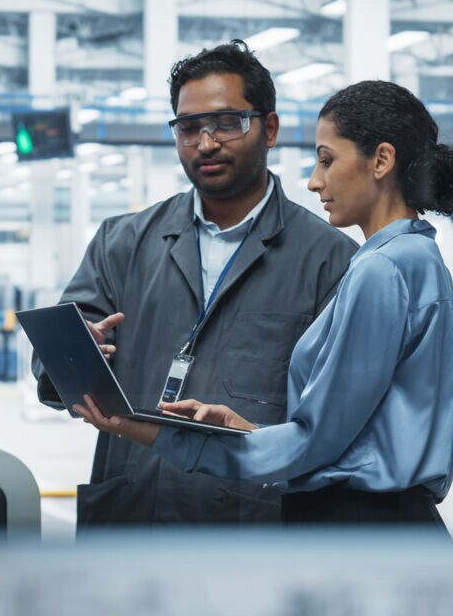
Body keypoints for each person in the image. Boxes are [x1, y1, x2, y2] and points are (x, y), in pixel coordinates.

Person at [74, 80, 453, 532]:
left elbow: (315, 442)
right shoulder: (419, 255)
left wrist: (147, 431)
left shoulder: (377, 269)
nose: (314, 179)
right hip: (388, 519)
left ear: (381, 160)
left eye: (327, 160)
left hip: (361, 524)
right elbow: (350, 433)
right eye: (188, 126)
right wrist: (249, 429)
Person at [32, 40, 357, 526]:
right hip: (132, 514)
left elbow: (335, 423)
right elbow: (53, 365)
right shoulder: (121, 242)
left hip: (253, 528)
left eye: (227, 123)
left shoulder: (330, 261)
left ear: (268, 129)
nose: (206, 143)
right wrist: (79, 353)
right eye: (188, 128)